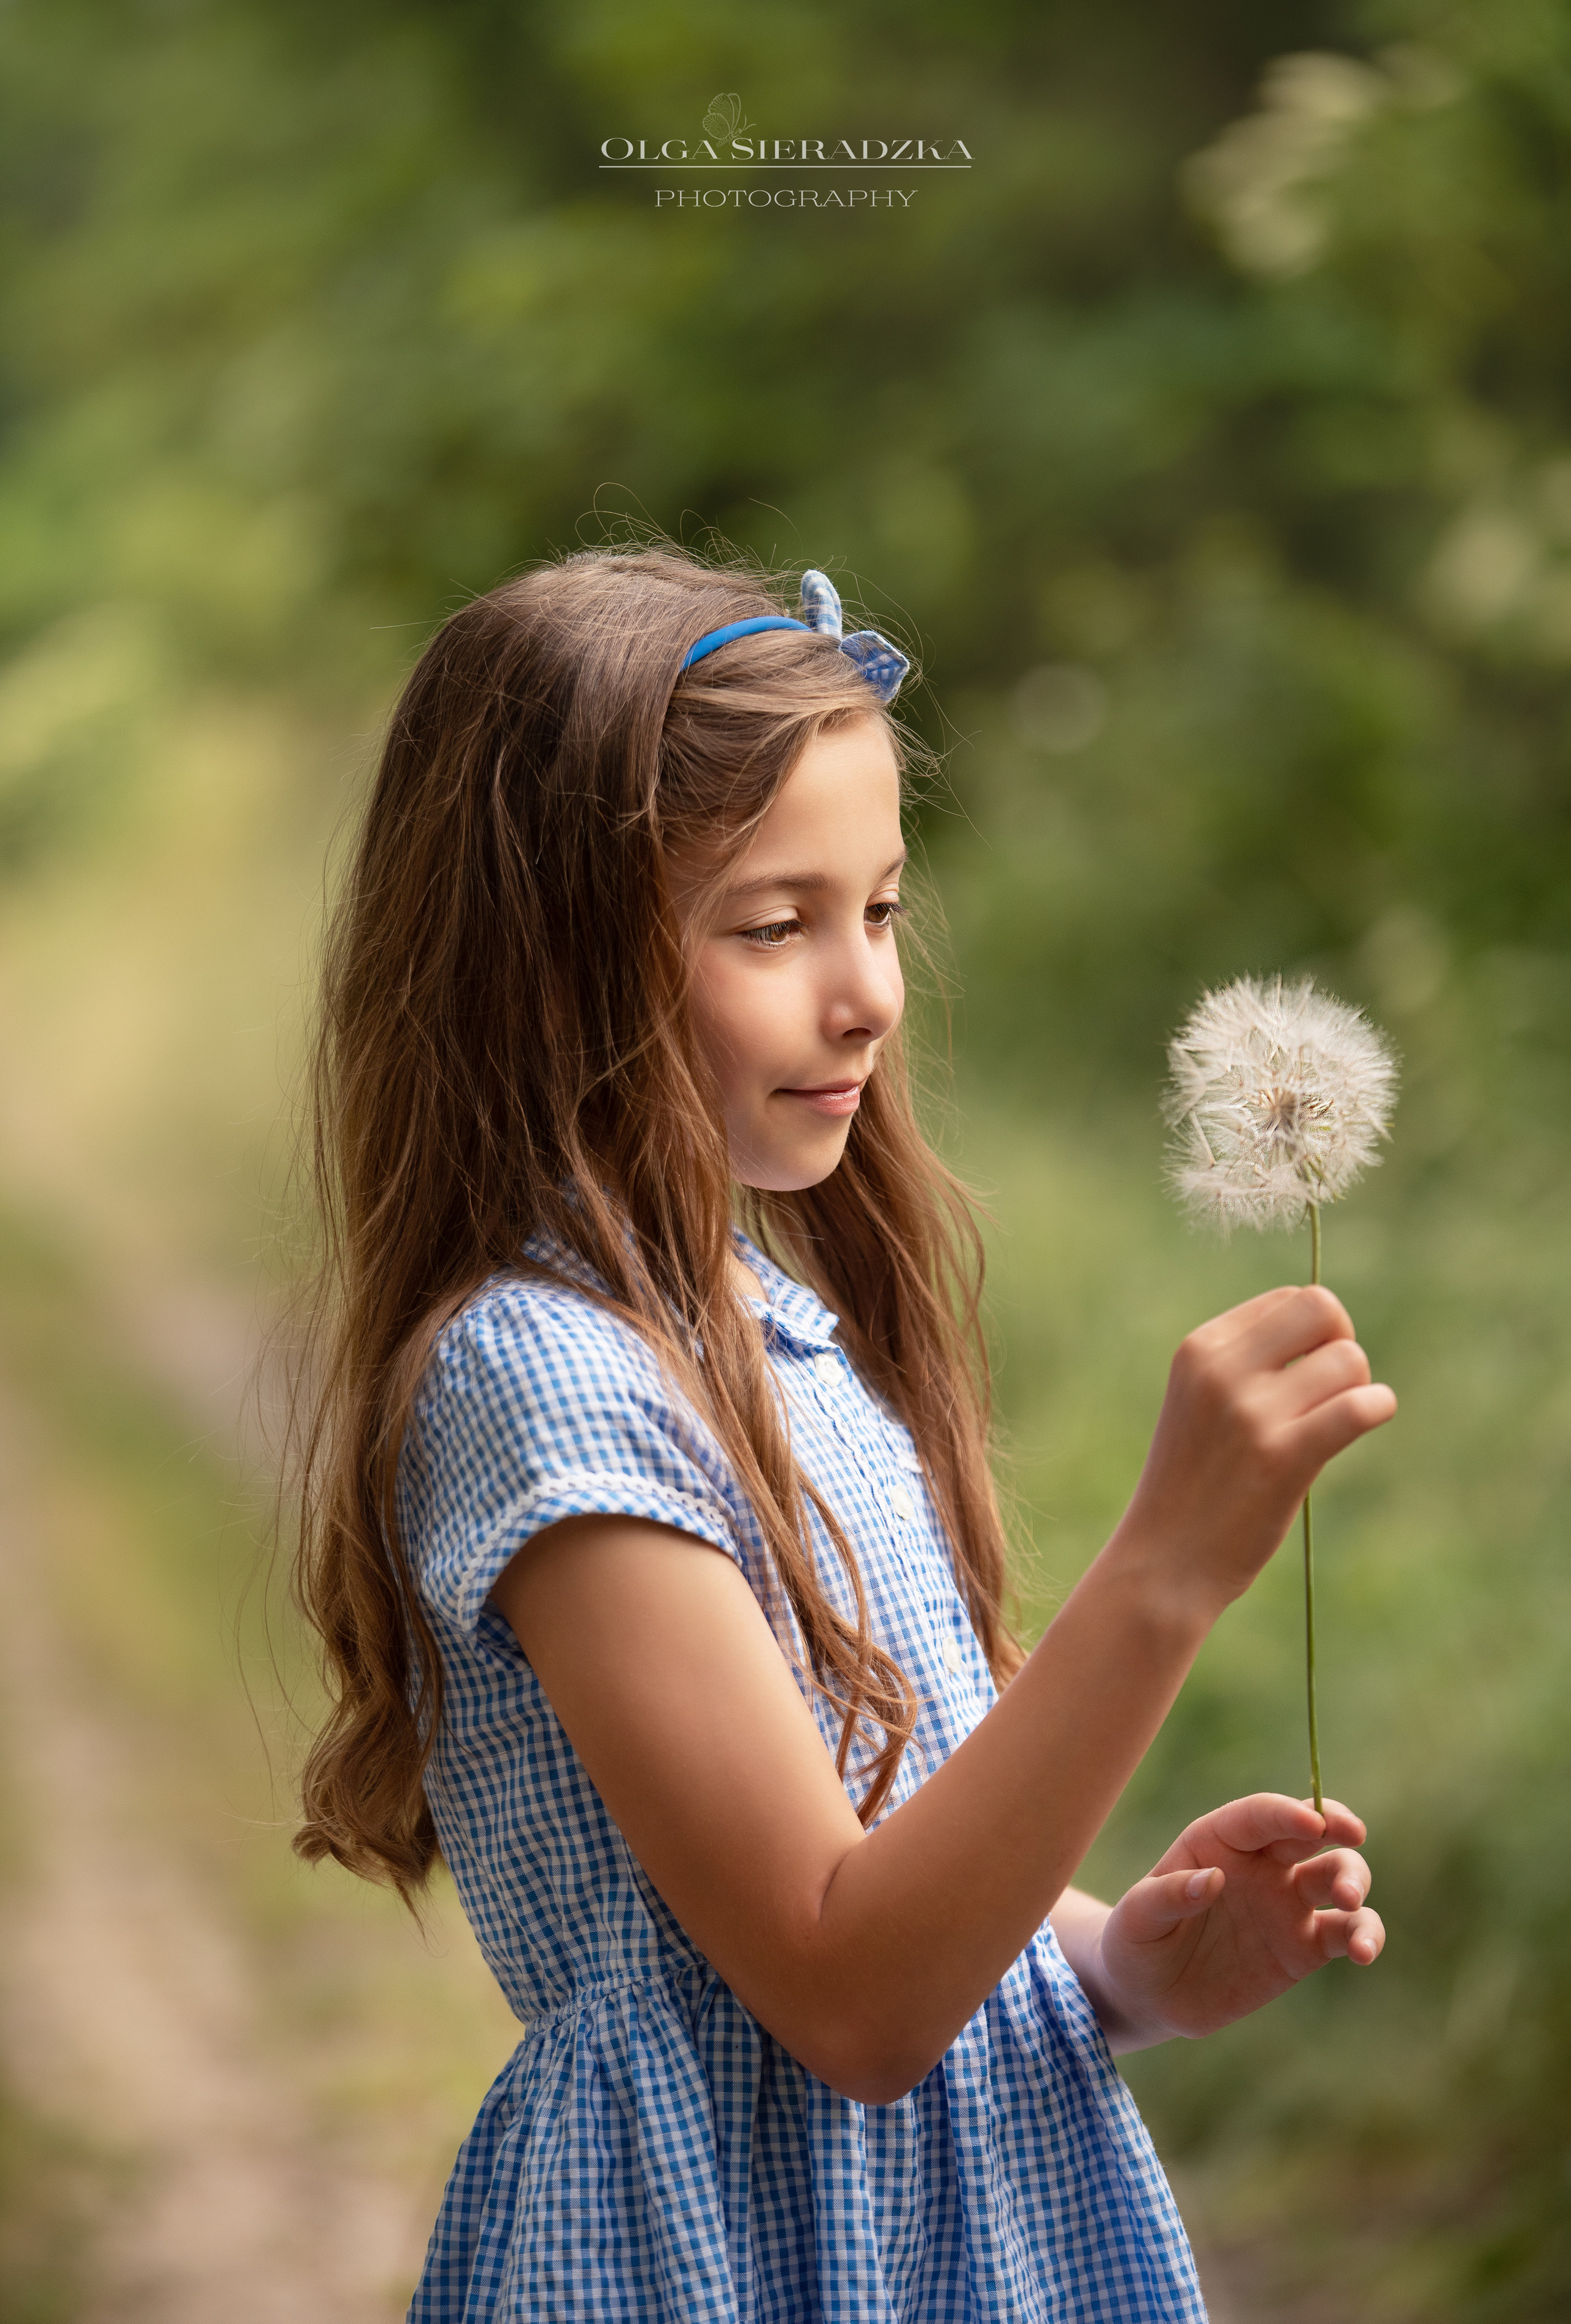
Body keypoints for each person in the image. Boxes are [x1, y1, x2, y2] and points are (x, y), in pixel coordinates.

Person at [291, 545, 1394, 2323]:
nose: (868, 988)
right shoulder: (549, 1379)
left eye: (878, 908)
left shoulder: (778, 1328)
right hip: (717, 2254)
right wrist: (1171, 1565)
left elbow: (897, 1875)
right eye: (772, 922)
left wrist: (1129, 1963)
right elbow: (851, 1990)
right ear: (549, 966)